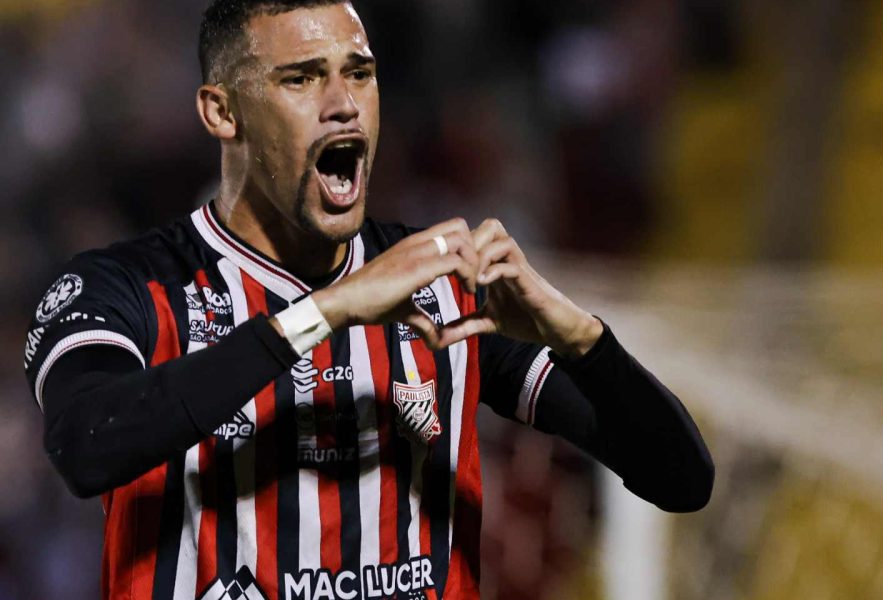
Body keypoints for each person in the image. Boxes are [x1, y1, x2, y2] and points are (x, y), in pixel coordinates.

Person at [23, 1, 713, 599]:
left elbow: (681, 478)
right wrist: (326, 312)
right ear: (222, 111)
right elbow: (88, 447)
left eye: (359, 72)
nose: (342, 102)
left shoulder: (444, 286)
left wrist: (581, 338)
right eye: (301, 78)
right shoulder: (122, 287)